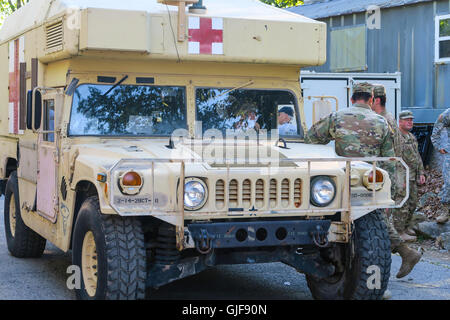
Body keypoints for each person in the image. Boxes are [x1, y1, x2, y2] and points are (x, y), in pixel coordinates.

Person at [305, 82, 422, 279]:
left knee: (353, 231)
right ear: (370, 100)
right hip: (370, 183)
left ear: (351, 98)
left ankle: (366, 275)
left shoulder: (337, 116)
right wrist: (389, 194)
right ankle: (403, 255)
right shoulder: (381, 122)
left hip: (341, 182)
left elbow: (311, 139)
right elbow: (389, 161)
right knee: (374, 226)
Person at [392, 111, 426, 241]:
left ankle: (406, 227)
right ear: (400, 121)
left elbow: (417, 157)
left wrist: (421, 173)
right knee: (402, 204)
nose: (410, 122)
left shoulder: (411, 137)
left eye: (411, 120)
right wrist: (400, 178)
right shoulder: (397, 137)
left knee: (412, 203)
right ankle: (399, 232)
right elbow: (395, 159)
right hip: (402, 176)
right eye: (407, 120)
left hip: (412, 176)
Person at [430, 108, 450, 224]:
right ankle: (445, 210)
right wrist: (439, 146)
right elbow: (435, 132)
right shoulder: (447, 115)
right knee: (449, 182)